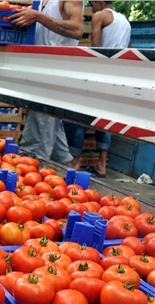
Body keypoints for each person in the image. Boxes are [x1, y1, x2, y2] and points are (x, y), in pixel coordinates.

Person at [9, 0, 84, 164]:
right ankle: (66, 165)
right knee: (48, 122)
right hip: (41, 69)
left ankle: (32, 170)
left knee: (38, 134)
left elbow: (77, 29)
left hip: (54, 72)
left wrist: (38, 16)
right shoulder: (43, 1)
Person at [65, 0, 131, 177]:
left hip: (101, 73)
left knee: (82, 117)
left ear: (100, 2)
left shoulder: (99, 16)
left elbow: (96, 49)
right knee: (107, 119)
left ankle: (75, 160)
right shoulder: (125, 21)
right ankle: (102, 164)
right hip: (119, 76)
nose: (92, 7)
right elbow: (130, 50)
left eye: (93, 3)